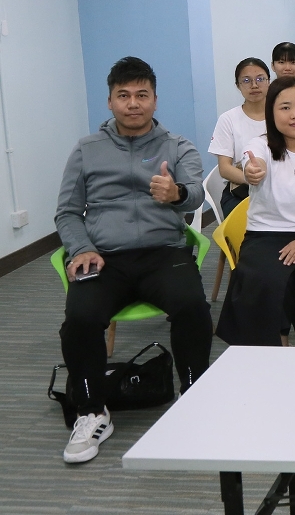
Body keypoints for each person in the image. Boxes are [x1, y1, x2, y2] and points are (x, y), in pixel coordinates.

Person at [56, 57, 210, 464]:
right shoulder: (86, 150)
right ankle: (91, 411)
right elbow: (67, 212)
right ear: (110, 101)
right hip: (104, 257)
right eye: (123, 95)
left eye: (142, 95)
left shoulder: (177, 146)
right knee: (80, 319)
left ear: (155, 100)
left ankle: (193, 392)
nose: (133, 103)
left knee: (192, 305)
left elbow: (196, 193)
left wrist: (176, 194)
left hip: (164, 253)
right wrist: (81, 248)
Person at [216, 76, 295, 347]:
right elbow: (253, 162)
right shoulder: (259, 145)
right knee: (266, 280)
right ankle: (278, 347)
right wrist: (252, 171)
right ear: (271, 113)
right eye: (285, 107)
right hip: (265, 234)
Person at [209, 58, 269, 217]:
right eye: (246, 80)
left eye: (260, 79)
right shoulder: (228, 119)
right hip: (241, 191)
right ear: (238, 85)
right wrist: (249, 178)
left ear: (269, 82)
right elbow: (224, 168)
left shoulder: (281, 115)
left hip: (279, 189)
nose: (254, 85)